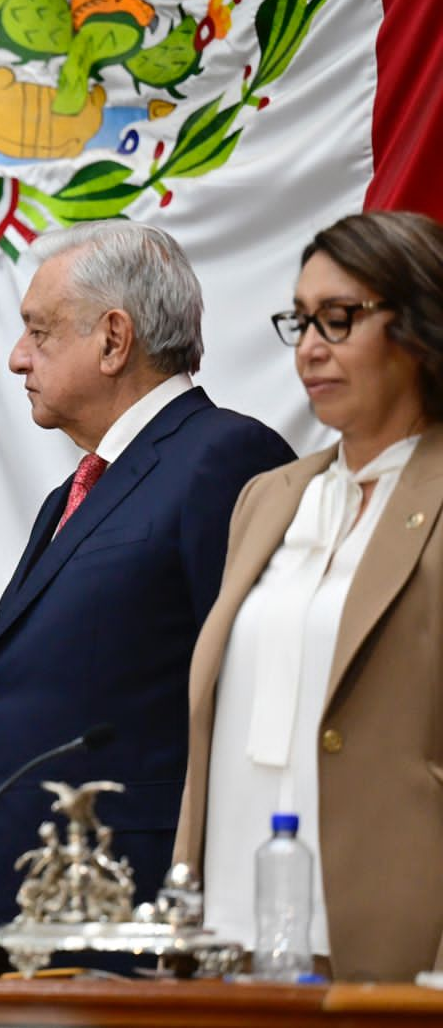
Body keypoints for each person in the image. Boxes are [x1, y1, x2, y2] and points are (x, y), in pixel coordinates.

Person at [0, 221, 294, 965]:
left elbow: (252, 702)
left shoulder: (226, 458)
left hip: (138, 912)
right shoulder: (69, 494)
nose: (18, 358)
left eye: (39, 333)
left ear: (114, 339)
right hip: (35, 904)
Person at [173, 210, 443, 981]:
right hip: (230, 934)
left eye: (340, 319)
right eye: (301, 321)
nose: (312, 348)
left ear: (420, 328)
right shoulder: (271, 497)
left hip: (395, 941)